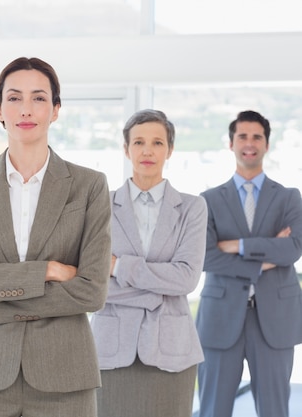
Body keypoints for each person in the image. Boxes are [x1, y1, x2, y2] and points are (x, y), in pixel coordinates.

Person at [0, 56, 111, 417]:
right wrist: (46, 270)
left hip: (64, 376)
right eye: (14, 98)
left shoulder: (89, 186)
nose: (26, 109)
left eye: (39, 98)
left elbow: (92, 291)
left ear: (56, 110)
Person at [89, 109, 207, 417]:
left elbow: (186, 279)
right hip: (110, 350)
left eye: (157, 142)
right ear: (126, 149)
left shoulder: (193, 208)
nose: (147, 150)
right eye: (139, 142)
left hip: (172, 352)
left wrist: (117, 267)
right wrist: (159, 289)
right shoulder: (99, 204)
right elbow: (91, 281)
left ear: (170, 149)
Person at [196, 110, 302, 417]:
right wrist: (262, 260)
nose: (249, 143)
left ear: (267, 144)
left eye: (257, 136)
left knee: (274, 410)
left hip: (275, 320)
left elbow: (292, 250)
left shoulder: (289, 198)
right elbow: (205, 256)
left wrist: (236, 245)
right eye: (242, 136)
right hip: (220, 319)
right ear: (231, 143)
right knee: (213, 409)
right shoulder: (208, 200)